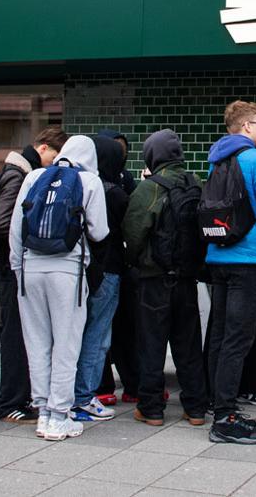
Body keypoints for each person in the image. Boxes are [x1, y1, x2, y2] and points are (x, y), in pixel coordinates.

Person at [9, 135, 108, 442]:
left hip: (30, 269)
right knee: (66, 346)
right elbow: (99, 231)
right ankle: (60, 415)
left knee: (37, 343)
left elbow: (16, 227)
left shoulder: (35, 177)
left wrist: (18, 268)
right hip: (68, 271)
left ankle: (42, 412)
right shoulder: (90, 181)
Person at [204, 100, 256, 444]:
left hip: (218, 254)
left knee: (220, 334)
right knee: (238, 338)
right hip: (248, 257)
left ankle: (216, 403)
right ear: (247, 127)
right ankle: (225, 418)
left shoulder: (216, 160)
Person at [123, 129, 209, 427]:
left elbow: (134, 233)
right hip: (187, 279)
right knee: (188, 345)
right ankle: (195, 408)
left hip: (154, 279)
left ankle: (151, 408)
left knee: (152, 344)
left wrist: (135, 262)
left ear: (152, 156)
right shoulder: (195, 183)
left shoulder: (149, 189)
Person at [0, 127, 67, 423]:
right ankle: (10, 402)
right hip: (13, 267)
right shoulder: (20, 176)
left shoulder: (19, 172)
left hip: (14, 265)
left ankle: (19, 398)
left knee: (22, 334)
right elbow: (2, 223)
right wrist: (29, 237)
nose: (55, 163)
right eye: (55, 155)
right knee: (15, 335)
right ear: (43, 148)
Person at [70, 137, 129, 422]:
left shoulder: (77, 185)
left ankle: (66, 394)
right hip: (108, 270)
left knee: (73, 333)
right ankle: (83, 397)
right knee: (97, 335)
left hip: (76, 268)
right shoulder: (114, 193)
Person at [96, 128, 140, 405]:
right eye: (115, 150)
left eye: (123, 150)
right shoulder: (105, 188)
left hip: (120, 266)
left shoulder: (124, 179)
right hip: (107, 266)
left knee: (124, 326)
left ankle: (131, 382)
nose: (120, 155)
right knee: (100, 329)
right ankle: (102, 386)